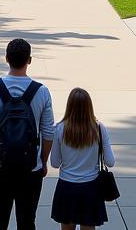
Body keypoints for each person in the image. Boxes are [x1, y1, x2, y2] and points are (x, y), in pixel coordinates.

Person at [0, 38, 55, 230]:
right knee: (27, 222)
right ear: (30, 60)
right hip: (30, 168)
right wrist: (42, 160)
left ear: (6, 58)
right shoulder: (41, 92)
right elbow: (49, 133)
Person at [50, 87, 115, 229]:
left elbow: (54, 163)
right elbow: (110, 162)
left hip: (66, 187)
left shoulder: (60, 129)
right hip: (91, 188)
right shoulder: (98, 128)